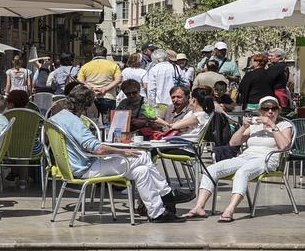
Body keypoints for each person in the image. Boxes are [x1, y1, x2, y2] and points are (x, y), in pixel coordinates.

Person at [50, 85, 187, 223]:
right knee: (141, 155)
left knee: (142, 170)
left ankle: (157, 213)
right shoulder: (75, 122)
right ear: (86, 105)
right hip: (85, 168)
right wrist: (122, 151)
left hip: (71, 167)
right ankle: (167, 193)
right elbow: (98, 149)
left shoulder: (58, 117)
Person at [183, 96, 293, 222]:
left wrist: (272, 125)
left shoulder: (284, 125)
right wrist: (244, 127)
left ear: (278, 110)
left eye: (274, 108)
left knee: (242, 172)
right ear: (260, 111)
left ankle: (230, 209)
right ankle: (199, 207)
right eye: (266, 108)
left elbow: (285, 146)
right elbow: (233, 143)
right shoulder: (255, 126)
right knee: (211, 169)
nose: (270, 112)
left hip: (267, 159)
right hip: (246, 157)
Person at [77, 46, 122, 120]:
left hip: (91, 97)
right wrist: (105, 89)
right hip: (108, 96)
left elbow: (80, 80)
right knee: (108, 123)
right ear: (105, 54)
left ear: (93, 54)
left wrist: (92, 88)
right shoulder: (114, 65)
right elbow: (118, 80)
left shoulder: (85, 66)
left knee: (91, 123)